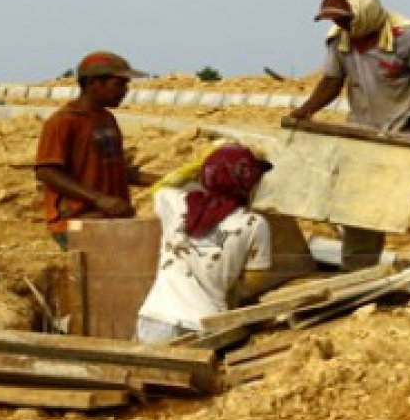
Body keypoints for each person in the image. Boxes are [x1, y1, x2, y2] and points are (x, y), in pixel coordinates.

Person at [287, 0, 410, 271]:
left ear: (363, 13)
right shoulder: (339, 39)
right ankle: (357, 268)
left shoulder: (409, 36)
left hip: (406, 132)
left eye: (344, 18)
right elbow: (332, 81)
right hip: (364, 133)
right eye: (336, 20)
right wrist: (305, 111)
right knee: (361, 204)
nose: (340, 23)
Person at [136, 143, 274, 343]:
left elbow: (161, 186)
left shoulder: (177, 204)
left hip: (155, 319)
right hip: (205, 326)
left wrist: (203, 164)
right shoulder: (253, 224)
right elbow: (252, 284)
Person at [34, 50, 156, 249]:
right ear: (93, 83)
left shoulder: (107, 120)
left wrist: (163, 181)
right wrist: (99, 199)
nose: (125, 91)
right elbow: (46, 171)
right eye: (119, 84)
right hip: (79, 222)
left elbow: (112, 170)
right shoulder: (63, 122)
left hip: (110, 220)